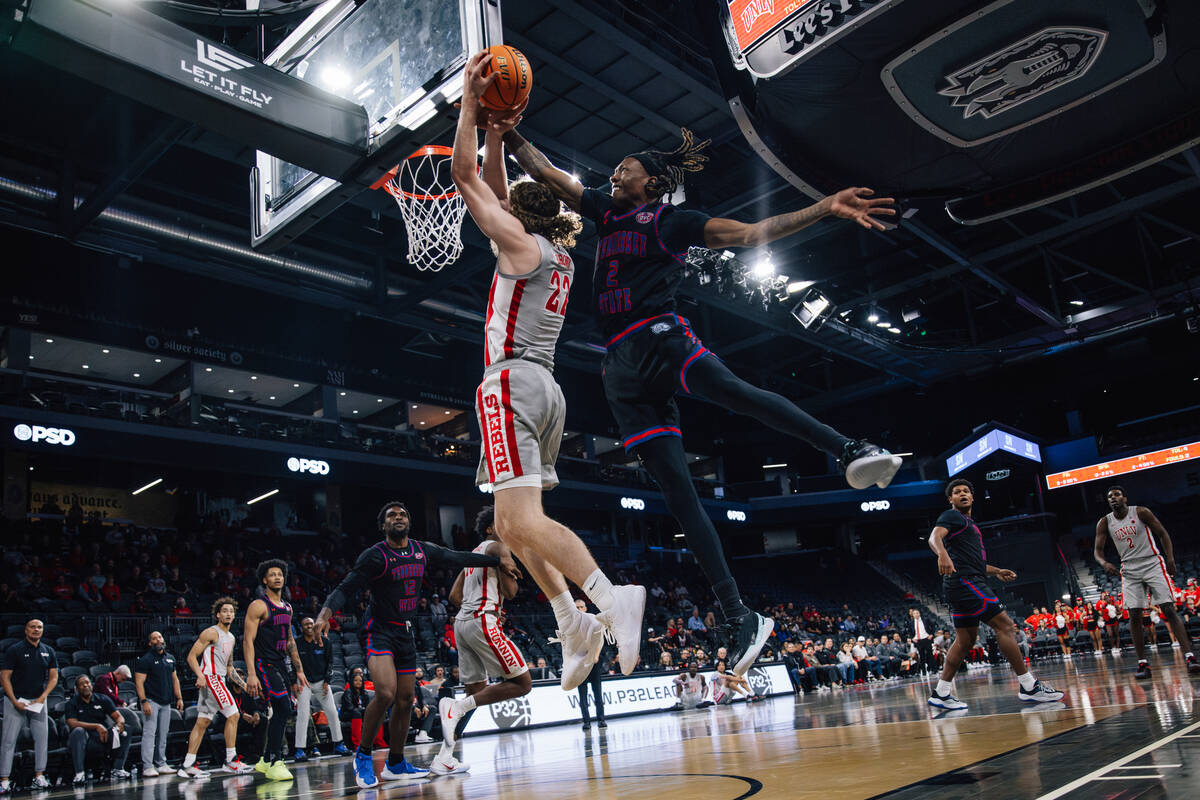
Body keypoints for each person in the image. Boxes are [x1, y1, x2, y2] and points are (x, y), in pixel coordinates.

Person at [500, 112, 900, 678]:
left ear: (653, 182)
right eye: (614, 169)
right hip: (618, 365)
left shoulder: (672, 221)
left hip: (658, 336)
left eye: (626, 168)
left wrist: (823, 209)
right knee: (680, 495)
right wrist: (507, 128)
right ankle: (739, 616)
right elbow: (541, 169)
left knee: (737, 393)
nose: (614, 173)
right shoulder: (602, 210)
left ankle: (848, 448)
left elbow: (752, 233)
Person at [451, 52, 645, 690]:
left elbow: (465, 178)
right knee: (508, 524)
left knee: (522, 523)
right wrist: (501, 139)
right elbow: (501, 192)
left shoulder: (518, 247)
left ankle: (609, 600)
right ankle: (571, 620)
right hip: (547, 391)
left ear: (517, 218)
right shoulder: (554, 253)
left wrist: (472, 109)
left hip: (509, 384)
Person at [313, 501, 519, 788]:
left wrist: (500, 561)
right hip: (379, 630)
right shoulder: (375, 556)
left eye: (402, 515)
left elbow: (458, 557)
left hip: (405, 633)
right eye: (391, 516)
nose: (398, 518)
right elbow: (346, 588)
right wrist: (325, 614)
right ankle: (362, 756)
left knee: (405, 699)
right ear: (383, 525)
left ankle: (396, 763)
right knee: (385, 693)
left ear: (409, 522)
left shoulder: (422, 550)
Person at [927, 479, 1063, 710]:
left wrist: (996, 570)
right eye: (957, 492)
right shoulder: (953, 517)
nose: (962, 494)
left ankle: (941, 693)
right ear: (950, 499)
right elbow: (934, 537)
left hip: (963, 582)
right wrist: (941, 554)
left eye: (966, 491)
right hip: (967, 583)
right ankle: (1029, 686)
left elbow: (974, 563)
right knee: (1006, 627)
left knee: (965, 640)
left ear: (973, 497)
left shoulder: (967, 523)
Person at [437, 506, 531, 776]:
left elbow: (455, 596)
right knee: (523, 684)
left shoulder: (473, 555)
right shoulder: (496, 548)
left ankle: (444, 756)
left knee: (475, 695)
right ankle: (454, 706)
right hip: (481, 620)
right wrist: (508, 563)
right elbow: (512, 592)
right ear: (490, 528)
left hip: (463, 624)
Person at [1094, 486, 1200, 679]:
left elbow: (1163, 534)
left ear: (1124, 497)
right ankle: (1142, 663)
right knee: (1134, 615)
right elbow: (1098, 551)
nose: (1113, 498)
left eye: (1116, 495)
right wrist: (1104, 563)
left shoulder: (1141, 512)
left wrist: (1170, 559)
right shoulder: (1104, 522)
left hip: (1152, 562)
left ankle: (1190, 656)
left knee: (1168, 609)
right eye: (1109, 496)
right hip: (1129, 568)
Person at [242, 559, 307, 781]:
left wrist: (299, 670)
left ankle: (266, 759)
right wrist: (251, 673)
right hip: (263, 663)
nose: (277, 577)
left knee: (283, 710)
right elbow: (248, 641)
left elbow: (290, 641)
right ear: (264, 580)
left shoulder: (288, 607)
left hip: (281, 663)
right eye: (272, 574)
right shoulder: (258, 606)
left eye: (280, 574)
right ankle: (276, 760)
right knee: (283, 707)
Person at [179, 596, 254, 778]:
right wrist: (200, 676)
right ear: (218, 615)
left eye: (231, 611)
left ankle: (187, 765)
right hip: (211, 679)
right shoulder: (211, 633)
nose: (228, 614)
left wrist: (244, 685)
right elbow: (191, 657)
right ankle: (230, 760)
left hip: (218, 679)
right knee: (234, 715)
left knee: (202, 722)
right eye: (225, 611)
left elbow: (229, 668)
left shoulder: (232, 638)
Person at [0, 619, 57, 791]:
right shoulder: (14, 650)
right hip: (16, 700)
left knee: (41, 740)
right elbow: (4, 677)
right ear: (26, 630)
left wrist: (43, 697)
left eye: (39, 627)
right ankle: (4, 780)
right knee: (8, 741)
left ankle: (39, 776)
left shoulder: (48, 651)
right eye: (32, 627)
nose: (36, 630)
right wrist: (13, 700)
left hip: (38, 702)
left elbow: (53, 677)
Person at [292, 617, 349, 762]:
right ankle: (300, 749)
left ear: (315, 625)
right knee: (303, 715)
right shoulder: (296, 643)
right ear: (302, 627)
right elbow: (293, 665)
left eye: (311, 623)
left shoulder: (325, 642)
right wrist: (294, 682)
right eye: (306, 624)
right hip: (304, 682)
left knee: (332, 713)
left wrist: (327, 681)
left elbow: (331, 662)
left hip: (321, 682)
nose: (309, 626)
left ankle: (339, 743)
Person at [64, 675, 130, 783]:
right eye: (81, 684)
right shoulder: (71, 703)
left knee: (125, 729)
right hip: (84, 738)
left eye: (87, 682)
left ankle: (118, 768)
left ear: (92, 685)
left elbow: (119, 716)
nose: (85, 685)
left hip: (102, 736)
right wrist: (96, 726)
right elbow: (72, 723)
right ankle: (79, 773)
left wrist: (119, 724)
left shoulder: (102, 698)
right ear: (76, 688)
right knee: (78, 731)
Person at [134, 630, 183, 777]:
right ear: (150, 643)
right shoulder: (145, 660)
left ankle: (161, 763)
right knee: (149, 734)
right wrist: (144, 702)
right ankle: (148, 766)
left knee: (163, 734)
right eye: (154, 638)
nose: (158, 640)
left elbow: (175, 680)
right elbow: (139, 682)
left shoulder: (170, 658)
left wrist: (179, 698)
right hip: (151, 701)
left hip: (166, 702)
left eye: (160, 637)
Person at [572, 599, 606, 731]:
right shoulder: (571, 625)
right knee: (582, 694)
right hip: (580, 663)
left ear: (586, 608)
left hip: (593, 662)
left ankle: (601, 719)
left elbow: (600, 640)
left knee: (597, 692)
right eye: (577, 607)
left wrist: (596, 655)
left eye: (582, 607)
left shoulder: (593, 621)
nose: (580, 609)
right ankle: (586, 721)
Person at [340, 668, 386, 752]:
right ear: (352, 681)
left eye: (360, 681)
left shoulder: (364, 693)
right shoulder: (348, 692)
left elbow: (368, 707)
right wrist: (363, 710)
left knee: (376, 715)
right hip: (348, 714)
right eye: (356, 680)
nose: (358, 682)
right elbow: (350, 708)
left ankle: (379, 742)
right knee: (356, 713)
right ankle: (357, 744)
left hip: (360, 712)